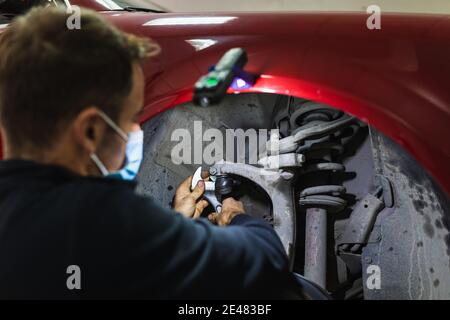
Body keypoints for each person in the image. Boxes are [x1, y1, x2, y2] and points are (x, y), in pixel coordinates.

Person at [0, 7, 291, 299]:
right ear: (90, 131)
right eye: (129, 117)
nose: (136, 131)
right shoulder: (101, 219)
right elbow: (266, 262)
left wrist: (176, 223)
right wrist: (235, 218)